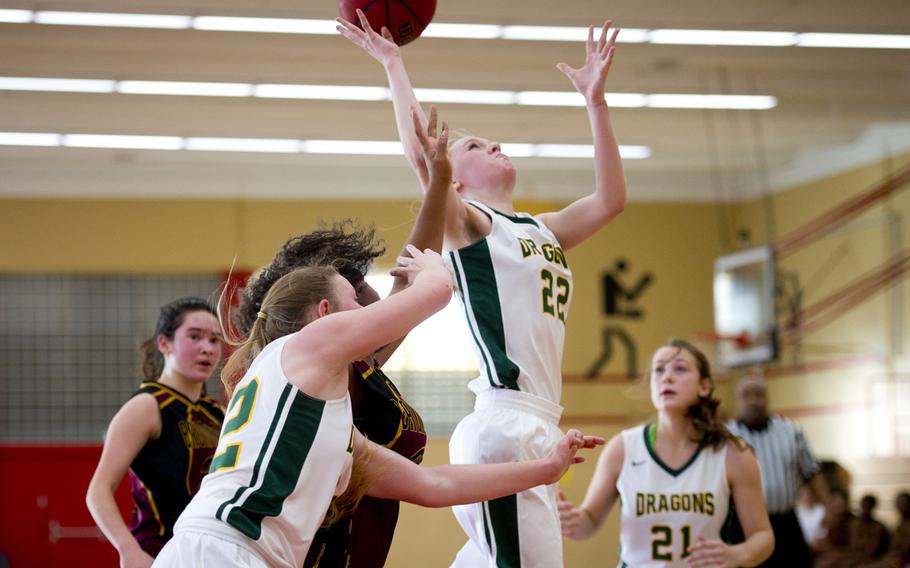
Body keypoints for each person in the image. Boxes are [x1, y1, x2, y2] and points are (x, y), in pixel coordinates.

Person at [337, 11, 628, 567]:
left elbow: (611, 200)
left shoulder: (544, 229)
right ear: (458, 176)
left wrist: (596, 103)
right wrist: (394, 63)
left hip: (536, 422)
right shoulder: (469, 222)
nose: (494, 145)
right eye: (475, 145)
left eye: (493, 140)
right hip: (506, 421)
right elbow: (422, 155)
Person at [153, 258, 604, 568]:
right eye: (355, 299)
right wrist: (434, 265)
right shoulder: (305, 345)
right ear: (325, 312)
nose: (367, 310)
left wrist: (547, 468)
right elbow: (437, 292)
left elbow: (435, 485)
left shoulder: (322, 419)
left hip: (221, 550)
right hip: (225, 548)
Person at [232, 107, 449, 568]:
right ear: (324, 311)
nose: (377, 307)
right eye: (363, 296)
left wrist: (439, 182)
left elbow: (411, 273)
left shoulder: (355, 366)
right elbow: (422, 287)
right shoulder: (316, 378)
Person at [558, 339, 774, 567]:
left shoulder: (732, 452)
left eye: (679, 369)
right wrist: (572, 521)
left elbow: (763, 536)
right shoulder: (623, 447)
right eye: (659, 369)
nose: (666, 377)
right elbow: (589, 520)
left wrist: (736, 554)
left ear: (705, 386)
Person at [86, 297, 225, 568]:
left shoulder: (217, 412)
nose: (207, 348)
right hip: (157, 553)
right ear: (164, 344)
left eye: (215, 340)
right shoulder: (147, 405)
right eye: (195, 337)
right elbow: (98, 490)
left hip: (206, 554)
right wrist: (128, 550)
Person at [726, 374, 829, 566]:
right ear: (737, 401)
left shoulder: (791, 431)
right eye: (746, 395)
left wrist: (828, 510)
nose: (753, 400)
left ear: (767, 398)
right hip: (743, 527)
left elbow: (812, 472)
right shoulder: (725, 436)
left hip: (785, 522)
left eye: (759, 394)